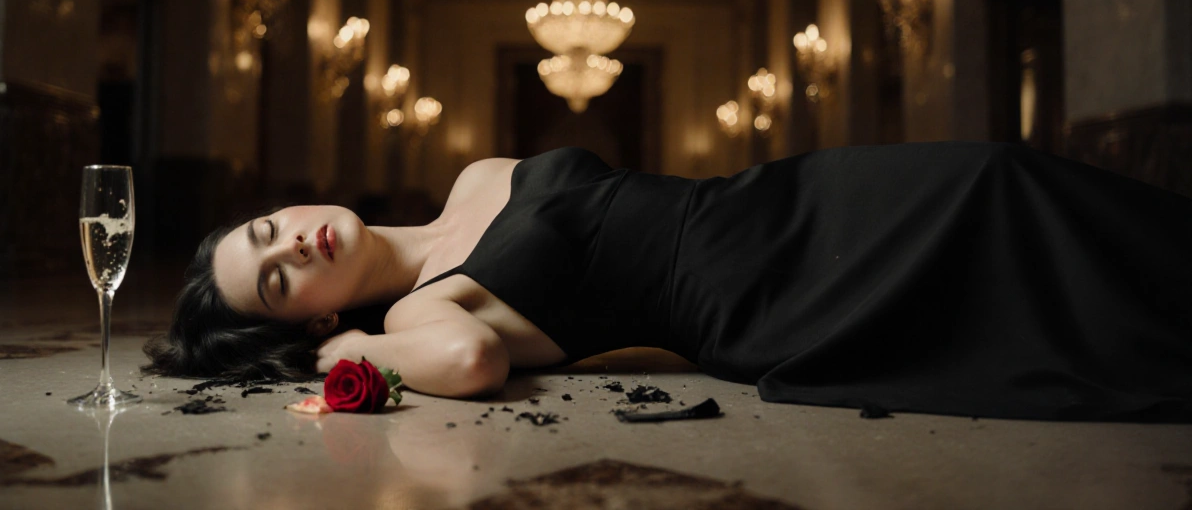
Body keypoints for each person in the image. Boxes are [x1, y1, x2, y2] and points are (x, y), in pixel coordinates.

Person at [143, 141, 1192, 422]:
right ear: (313, 317)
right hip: (772, 299)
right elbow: (472, 361)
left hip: (791, 202)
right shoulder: (423, 314)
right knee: (1019, 256)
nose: (297, 246)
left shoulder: (475, 176)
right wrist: (346, 353)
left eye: (270, 232)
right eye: (278, 282)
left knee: (1004, 180)